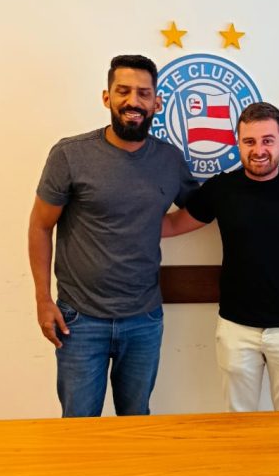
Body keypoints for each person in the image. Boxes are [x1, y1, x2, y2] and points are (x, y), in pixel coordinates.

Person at [28, 54, 198, 417]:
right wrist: (43, 300)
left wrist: (162, 226)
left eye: (143, 93)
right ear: (107, 97)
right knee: (79, 427)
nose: (133, 101)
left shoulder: (170, 160)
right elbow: (41, 225)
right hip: (79, 320)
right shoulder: (70, 155)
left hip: (144, 320)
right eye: (123, 91)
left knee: (135, 425)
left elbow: (200, 208)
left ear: (157, 102)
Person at [162, 101, 279, 412]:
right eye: (249, 141)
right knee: (238, 422)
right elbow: (172, 225)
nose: (259, 150)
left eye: (267, 140)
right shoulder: (221, 189)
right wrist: (116, 224)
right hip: (236, 328)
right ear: (238, 143)